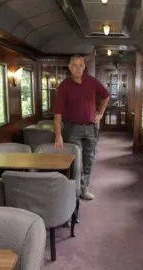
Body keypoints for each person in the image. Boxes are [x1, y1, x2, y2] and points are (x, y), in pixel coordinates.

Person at [53, 55, 109, 200]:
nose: (77, 68)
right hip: (72, 129)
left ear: (84, 67)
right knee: (76, 161)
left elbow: (106, 95)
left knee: (89, 159)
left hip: (91, 128)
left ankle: (84, 190)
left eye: (80, 65)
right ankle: (75, 191)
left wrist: (101, 113)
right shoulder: (64, 85)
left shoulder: (91, 81)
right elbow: (58, 112)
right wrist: (58, 134)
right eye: (74, 65)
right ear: (69, 67)